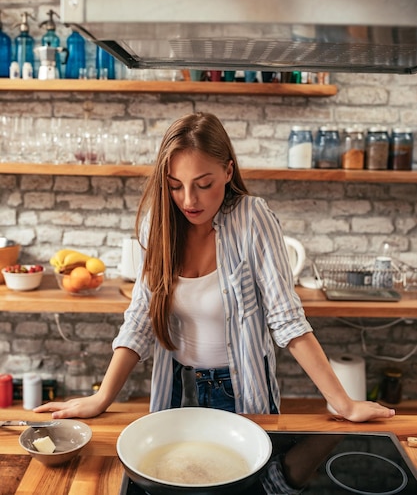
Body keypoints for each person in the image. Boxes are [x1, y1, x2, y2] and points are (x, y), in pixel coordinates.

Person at [35, 112, 395, 422]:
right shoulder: (157, 224)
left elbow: (287, 320)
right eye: (175, 186)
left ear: (227, 171)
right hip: (175, 389)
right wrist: (102, 398)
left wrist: (343, 402)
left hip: (239, 394)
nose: (188, 201)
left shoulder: (252, 217)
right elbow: (140, 319)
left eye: (203, 185)